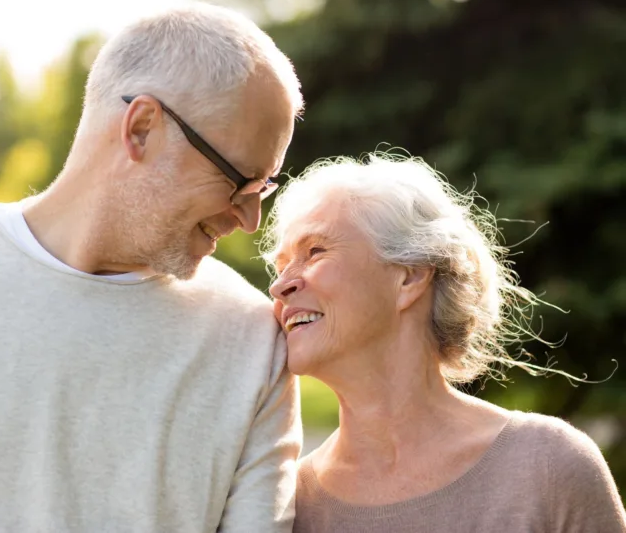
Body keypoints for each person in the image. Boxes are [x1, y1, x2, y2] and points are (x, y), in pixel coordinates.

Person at [0, 3, 304, 532]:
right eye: (240, 179)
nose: (250, 217)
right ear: (142, 128)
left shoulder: (254, 343)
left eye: (265, 188)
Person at [264, 153, 626, 532]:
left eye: (314, 251)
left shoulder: (548, 466)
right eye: (281, 265)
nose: (280, 285)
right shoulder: (288, 507)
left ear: (410, 277)